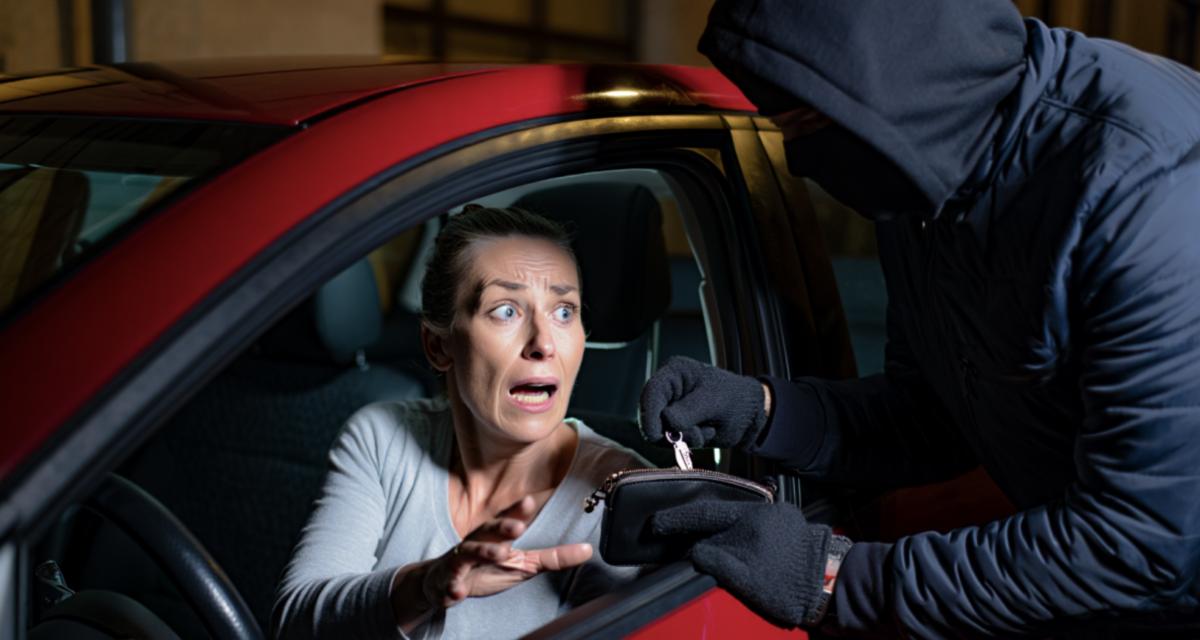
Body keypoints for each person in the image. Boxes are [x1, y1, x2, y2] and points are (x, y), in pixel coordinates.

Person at [639, 0, 1200, 636]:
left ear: (877, 89)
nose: (799, 164)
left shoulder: (1150, 193)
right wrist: (766, 412)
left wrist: (833, 580)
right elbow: (934, 415)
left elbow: (1143, 541)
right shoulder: (922, 176)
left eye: (800, 126)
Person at [273, 205, 646, 639]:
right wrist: (424, 586)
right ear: (438, 346)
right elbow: (294, 625)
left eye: (564, 311)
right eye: (506, 310)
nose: (544, 343)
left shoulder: (628, 497)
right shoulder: (381, 437)